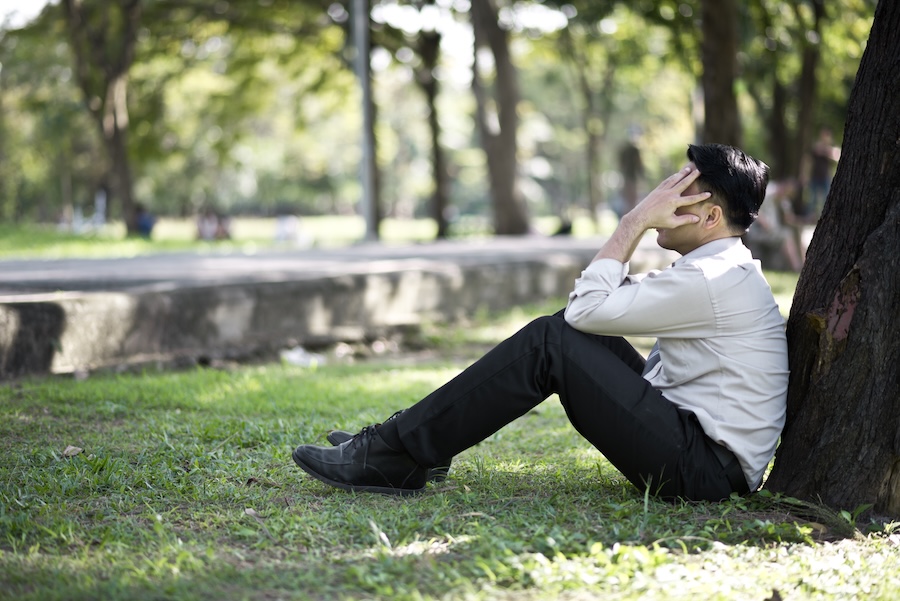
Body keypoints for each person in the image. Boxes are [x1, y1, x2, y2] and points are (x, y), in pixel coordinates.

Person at [292, 143, 788, 502]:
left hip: (703, 469)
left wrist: (633, 221)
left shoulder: (711, 278)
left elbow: (586, 307)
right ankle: (420, 444)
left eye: (678, 193)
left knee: (553, 340)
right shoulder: (719, 270)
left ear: (709, 217)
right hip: (698, 446)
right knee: (564, 334)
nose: (662, 200)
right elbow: (594, 312)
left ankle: (397, 451)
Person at [808, 128, 841, 219]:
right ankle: (811, 217)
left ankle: (825, 216)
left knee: (826, 197)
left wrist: (826, 152)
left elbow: (837, 158)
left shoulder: (832, 149)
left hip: (826, 176)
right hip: (815, 175)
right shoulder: (816, 147)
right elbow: (808, 160)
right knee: (813, 198)